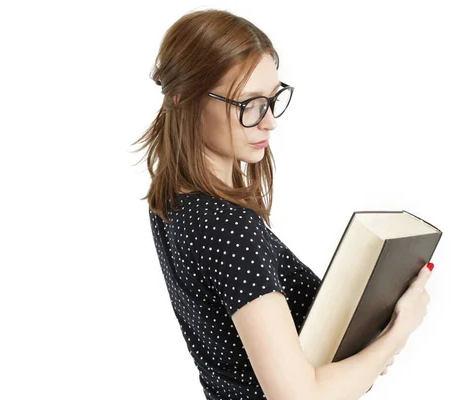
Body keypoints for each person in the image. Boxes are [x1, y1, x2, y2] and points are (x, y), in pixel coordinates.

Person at [133, 8, 434, 400]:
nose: (269, 120)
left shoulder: (172, 197)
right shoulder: (228, 225)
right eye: (249, 104)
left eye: (273, 99)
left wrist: (363, 354)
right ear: (183, 98)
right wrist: (397, 332)